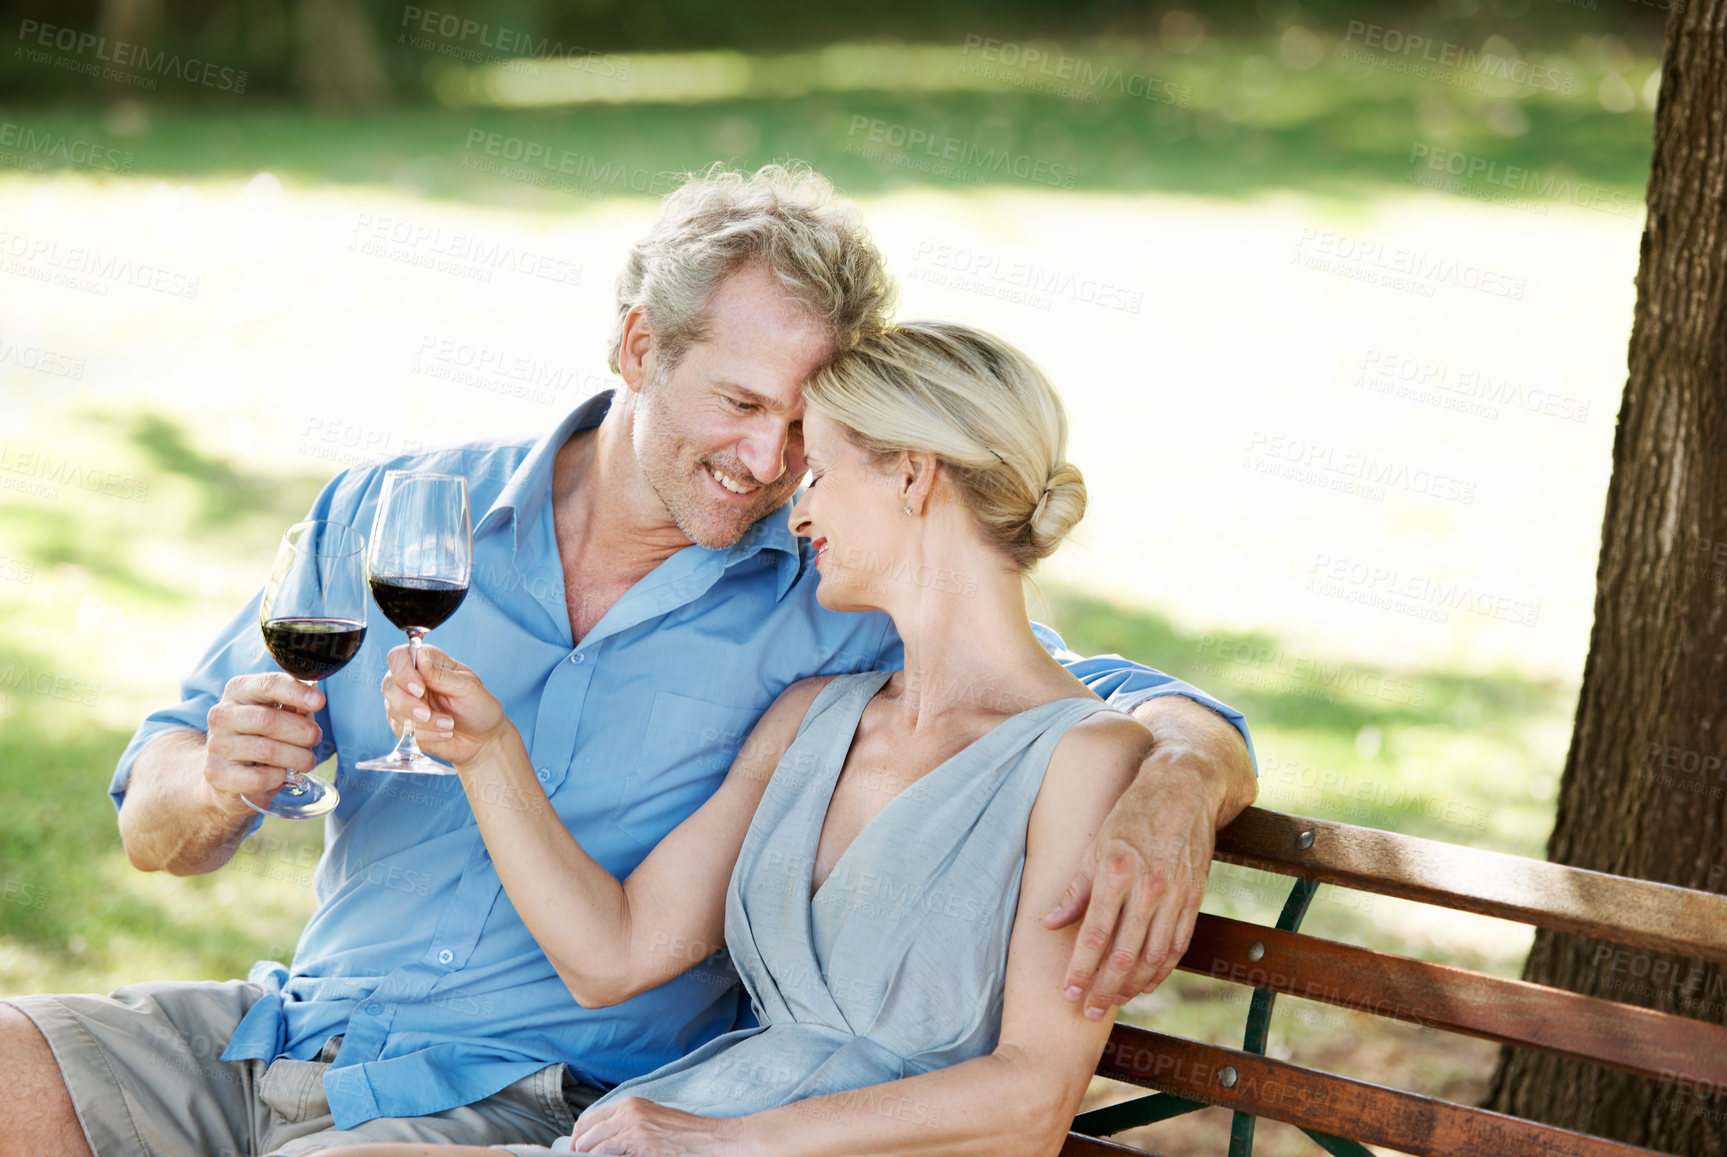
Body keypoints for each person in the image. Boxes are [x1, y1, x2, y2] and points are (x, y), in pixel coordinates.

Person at [0, 166, 1256, 1157]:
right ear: (637, 346)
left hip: (538, 1097)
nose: (771, 466)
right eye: (740, 403)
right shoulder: (399, 510)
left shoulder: (834, 599)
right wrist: (217, 782)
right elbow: (155, 816)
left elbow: (1078, 701)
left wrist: (1181, 776)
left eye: (803, 428)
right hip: (287, 1026)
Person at [327, 319, 1176, 1157]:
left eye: (823, 474)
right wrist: (488, 752)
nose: (796, 511)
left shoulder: (1084, 760)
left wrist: (730, 1139)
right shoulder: (812, 716)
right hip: (662, 1130)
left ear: (913, 478)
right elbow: (612, 953)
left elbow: (1031, 1099)